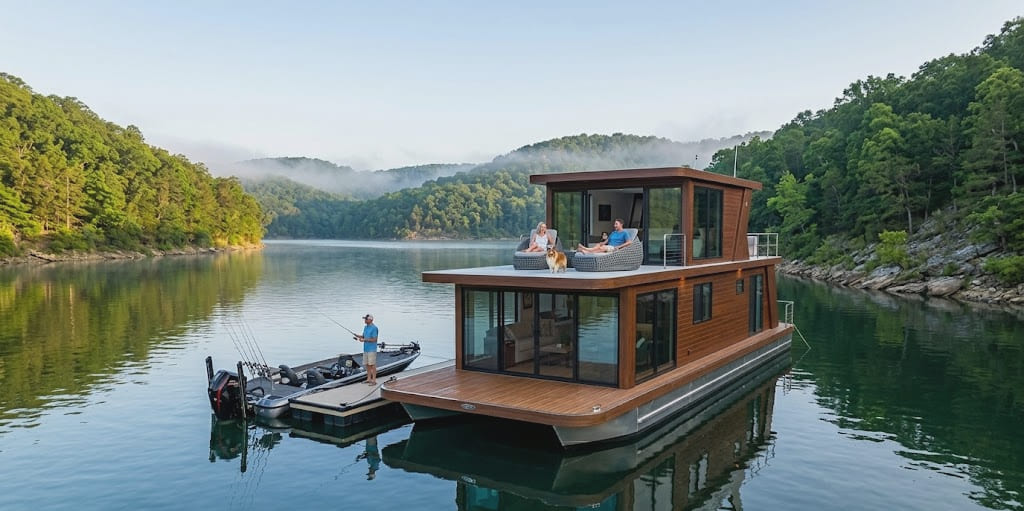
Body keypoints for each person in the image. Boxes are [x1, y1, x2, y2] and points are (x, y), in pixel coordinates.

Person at [354, 314, 378, 385]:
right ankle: (368, 379)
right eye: (365, 319)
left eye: (366, 319)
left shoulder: (374, 328)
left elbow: (374, 339)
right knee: (367, 364)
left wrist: (364, 340)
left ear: (370, 320)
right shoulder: (365, 327)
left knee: (372, 365)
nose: (365, 320)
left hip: (372, 349)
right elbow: (363, 336)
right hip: (366, 349)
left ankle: (374, 380)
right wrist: (357, 335)